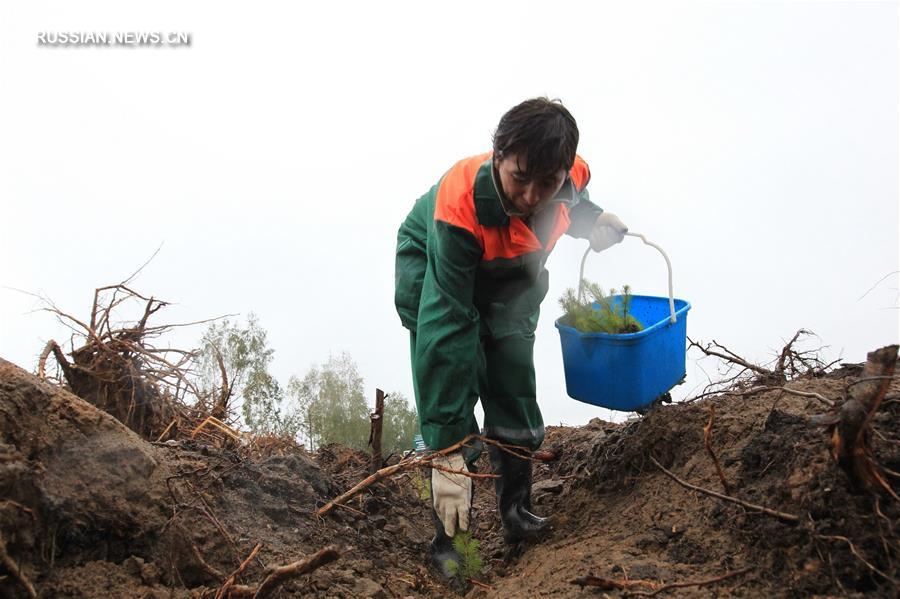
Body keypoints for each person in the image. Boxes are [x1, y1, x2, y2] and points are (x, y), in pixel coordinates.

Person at [394, 97, 627, 578]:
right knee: (454, 373)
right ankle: (448, 543)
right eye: (519, 178)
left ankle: (516, 514)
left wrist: (595, 221)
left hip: (509, 281)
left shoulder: (567, 175)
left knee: (514, 381)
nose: (531, 196)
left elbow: (575, 203)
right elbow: (448, 330)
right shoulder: (459, 206)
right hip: (435, 268)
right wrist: (448, 451)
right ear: (497, 156)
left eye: (547, 183)